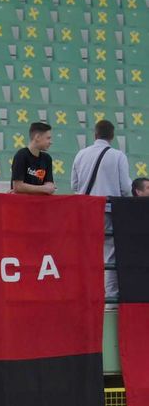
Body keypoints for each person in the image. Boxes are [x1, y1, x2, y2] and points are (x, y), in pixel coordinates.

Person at [72, 120, 133, 299]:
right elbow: (126, 188)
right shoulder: (118, 156)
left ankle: (84, 294)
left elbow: (74, 185)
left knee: (86, 252)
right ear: (112, 136)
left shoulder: (81, 154)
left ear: (95, 134)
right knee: (110, 254)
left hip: (85, 210)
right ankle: (110, 298)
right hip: (108, 210)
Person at [11, 122, 56, 195]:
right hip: (22, 201)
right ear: (37, 137)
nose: (51, 142)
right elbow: (18, 187)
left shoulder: (47, 158)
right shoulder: (21, 155)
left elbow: (50, 186)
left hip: (39, 201)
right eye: (48, 138)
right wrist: (44, 188)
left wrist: (47, 188)